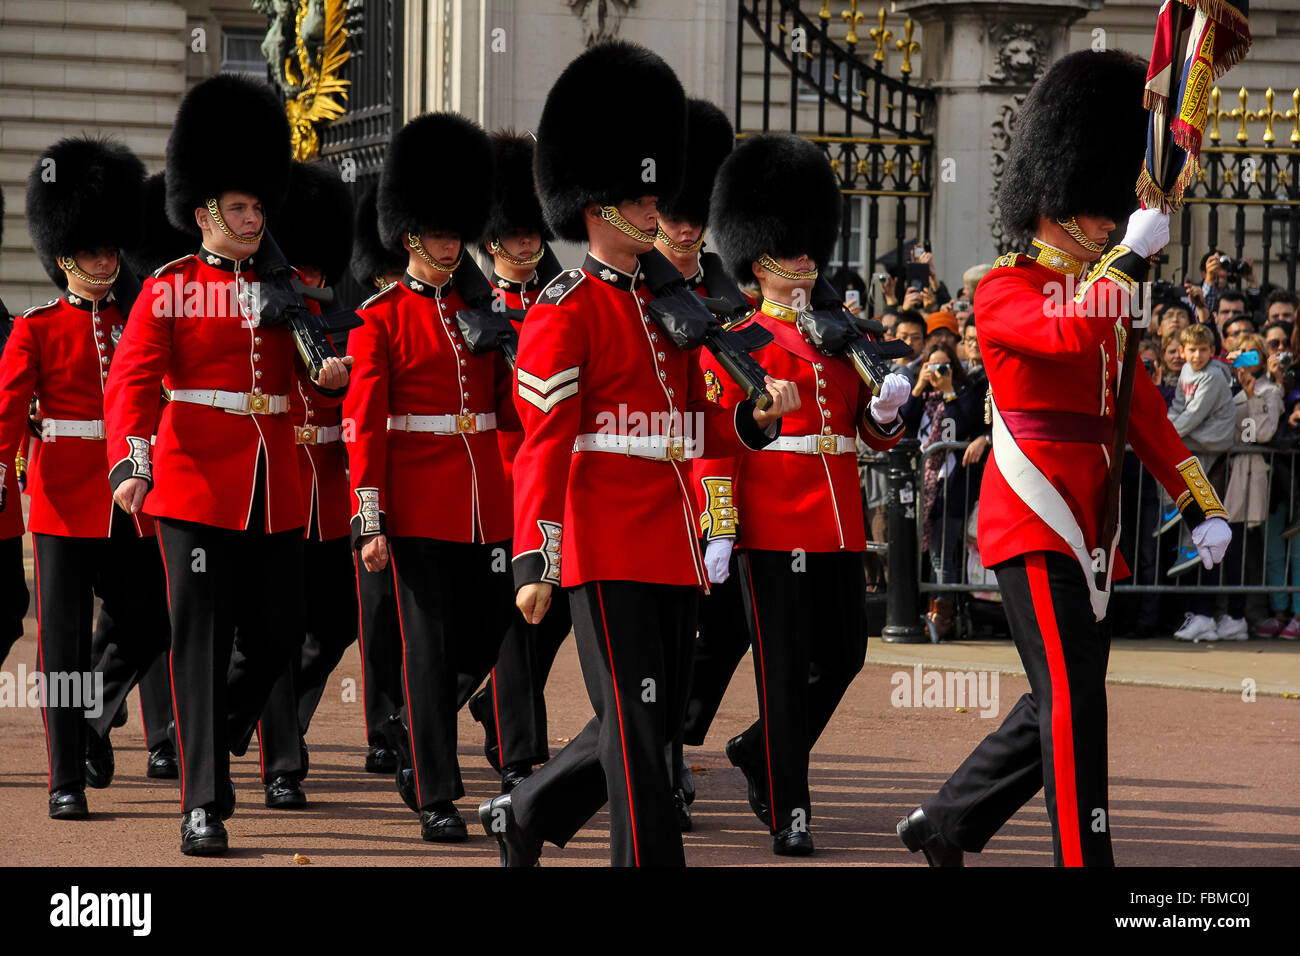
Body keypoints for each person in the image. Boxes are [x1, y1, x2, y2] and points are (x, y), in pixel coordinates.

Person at [897, 50, 1231, 868]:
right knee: (1076, 702)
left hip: (1094, 525)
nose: (1112, 220)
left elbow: (1138, 409)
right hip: (1032, 513)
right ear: (1062, 198)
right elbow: (1066, 332)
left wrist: (1198, 501)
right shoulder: (1005, 287)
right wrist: (1126, 262)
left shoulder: (1103, 287)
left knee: (1058, 696)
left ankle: (947, 822)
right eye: (1103, 206)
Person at [478, 41, 797, 868]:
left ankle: (527, 813)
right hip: (602, 534)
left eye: (654, 193)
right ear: (595, 209)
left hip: (676, 535)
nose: (656, 209)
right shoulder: (564, 307)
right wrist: (535, 558)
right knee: (634, 721)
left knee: (647, 718)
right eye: (638, 196)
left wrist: (756, 422)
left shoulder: (673, 305)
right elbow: (545, 442)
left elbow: (704, 422)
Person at [104, 75, 351, 855]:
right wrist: (131, 466)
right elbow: (135, 384)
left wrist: (325, 371)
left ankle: (216, 728)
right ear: (205, 213)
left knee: (282, 628)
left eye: (257, 207)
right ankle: (203, 803)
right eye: (240, 208)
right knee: (200, 641)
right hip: (193, 486)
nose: (253, 220)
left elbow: (311, 375)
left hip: (274, 488)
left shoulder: (288, 292)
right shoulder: (171, 289)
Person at [698, 132, 909, 855]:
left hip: (838, 522)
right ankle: (791, 808)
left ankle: (759, 750)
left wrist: (885, 417)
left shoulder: (843, 338)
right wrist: (719, 525)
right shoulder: (738, 342)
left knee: (845, 655)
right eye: (794, 254)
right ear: (759, 264)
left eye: (810, 250)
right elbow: (716, 447)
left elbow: (864, 435)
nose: (808, 263)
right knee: (782, 671)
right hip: (770, 523)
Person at [346, 111, 518, 842]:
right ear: (412, 236)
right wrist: (370, 516)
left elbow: (510, 414)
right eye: (441, 234)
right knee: (431, 644)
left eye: (458, 233)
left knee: (487, 635)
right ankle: (437, 795)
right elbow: (365, 425)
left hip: (485, 501)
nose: (453, 244)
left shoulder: (482, 311)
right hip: (416, 505)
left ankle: (418, 737)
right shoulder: (378, 319)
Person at [3, 136, 172, 820]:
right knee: (63, 644)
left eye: (112, 249)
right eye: (94, 251)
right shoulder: (35, 330)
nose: (108, 261)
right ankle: (63, 779)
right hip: (63, 500)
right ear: (65, 254)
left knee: (150, 619)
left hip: (127, 499)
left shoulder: (137, 320)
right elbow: (8, 414)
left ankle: (91, 718)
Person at [465, 128, 572, 796]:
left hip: (559, 478)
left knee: (554, 614)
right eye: (515, 232)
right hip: (504, 476)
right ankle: (517, 753)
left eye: (533, 230)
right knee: (513, 617)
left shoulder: (563, 295)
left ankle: (493, 709)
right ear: (493, 238)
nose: (527, 242)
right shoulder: (476, 306)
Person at [649, 97, 744, 830]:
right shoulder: (637, 288)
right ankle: (663, 764)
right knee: (656, 642)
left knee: (720, 630)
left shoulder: (728, 294)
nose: (685, 227)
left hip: (718, 483)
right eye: (674, 214)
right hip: (651, 483)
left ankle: (675, 742)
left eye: (693, 214)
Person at [253, 159, 358, 809]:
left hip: (329, 494)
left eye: (321, 266)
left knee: (336, 624)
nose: (312, 276)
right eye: (303, 264)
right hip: (275, 488)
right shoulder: (264, 313)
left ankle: (281, 721)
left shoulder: (338, 314)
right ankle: (282, 762)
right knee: (279, 629)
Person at [346, 183, 405, 773]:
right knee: (379, 617)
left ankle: (411, 720)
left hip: (429, 477)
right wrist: (369, 512)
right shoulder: (371, 318)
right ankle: (384, 725)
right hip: (376, 478)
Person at [900, 341, 981, 639]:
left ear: (953, 368)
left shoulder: (963, 395)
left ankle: (941, 618)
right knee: (926, 557)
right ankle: (931, 612)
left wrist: (948, 391)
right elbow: (902, 423)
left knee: (941, 556)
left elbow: (957, 427)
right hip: (921, 489)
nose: (937, 372)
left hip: (950, 488)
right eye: (931, 366)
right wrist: (919, 386)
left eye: (943, 366)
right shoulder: (923, 398)